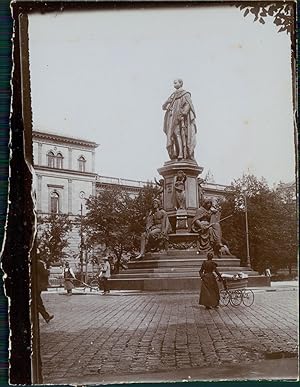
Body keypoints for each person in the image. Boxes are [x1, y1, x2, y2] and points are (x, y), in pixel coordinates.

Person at [162, 79, 197, 160]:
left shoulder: (186, 94)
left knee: (178, 134)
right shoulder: (173, 95)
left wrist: (183, 113)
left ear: (181, 83)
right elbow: (163, 106)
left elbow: (188, 105)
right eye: (173, 83)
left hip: (179, 117)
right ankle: (175, 153)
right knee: (172, 136)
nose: (174, 84)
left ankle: (181, 152)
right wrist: (167, 102)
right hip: (171, 118)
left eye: (175, 82)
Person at [37, 257, 54, 323]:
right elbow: (44, 273)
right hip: (37, 286)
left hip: (35, 286)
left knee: (38, 302)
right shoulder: (39, 263)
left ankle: (46, 317)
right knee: (38, 302)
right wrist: (48, 270)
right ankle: (46, 317)